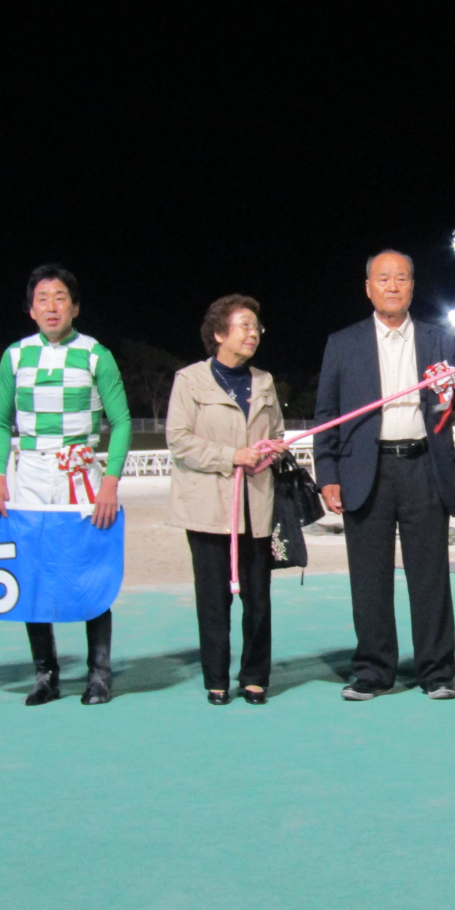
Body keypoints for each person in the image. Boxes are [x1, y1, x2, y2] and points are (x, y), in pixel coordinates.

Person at [313, 250, 455, 701]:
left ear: (413, 287)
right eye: (384, 278)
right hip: (366, 471)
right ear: (369, 288)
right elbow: (326, 415)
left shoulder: (442, 341)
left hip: (425, 467)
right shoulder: (343, 344)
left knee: (430, 577)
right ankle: (373, 671)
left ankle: (437, 672)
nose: (393, 285)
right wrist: (327, 474)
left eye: (402, 278)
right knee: (369, 578)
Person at [0, 264, 132, 706]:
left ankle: (98, 674)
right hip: (28, 475)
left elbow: (121, 422)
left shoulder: (95, 354)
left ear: (76, 307)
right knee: (33, 574)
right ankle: (45, 674)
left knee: (89, 570)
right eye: (43, 298)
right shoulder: (15, 355)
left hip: (81, 475)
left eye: (61, 297)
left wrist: (109, 484)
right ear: (31, 309)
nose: (52, 305)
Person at [165, 295, 286, 705]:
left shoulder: (265, 382)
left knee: (259, 598)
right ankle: (216, 678)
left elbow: (279, 435)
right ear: (219, 334)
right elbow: (179, 440)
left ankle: (255, 676)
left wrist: (271, 450)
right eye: (244, 326)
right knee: (213, 598)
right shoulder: (190, 380)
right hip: (208, 509)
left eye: (256, 326)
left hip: (256, 506)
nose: (253, 333)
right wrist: (230, 456)